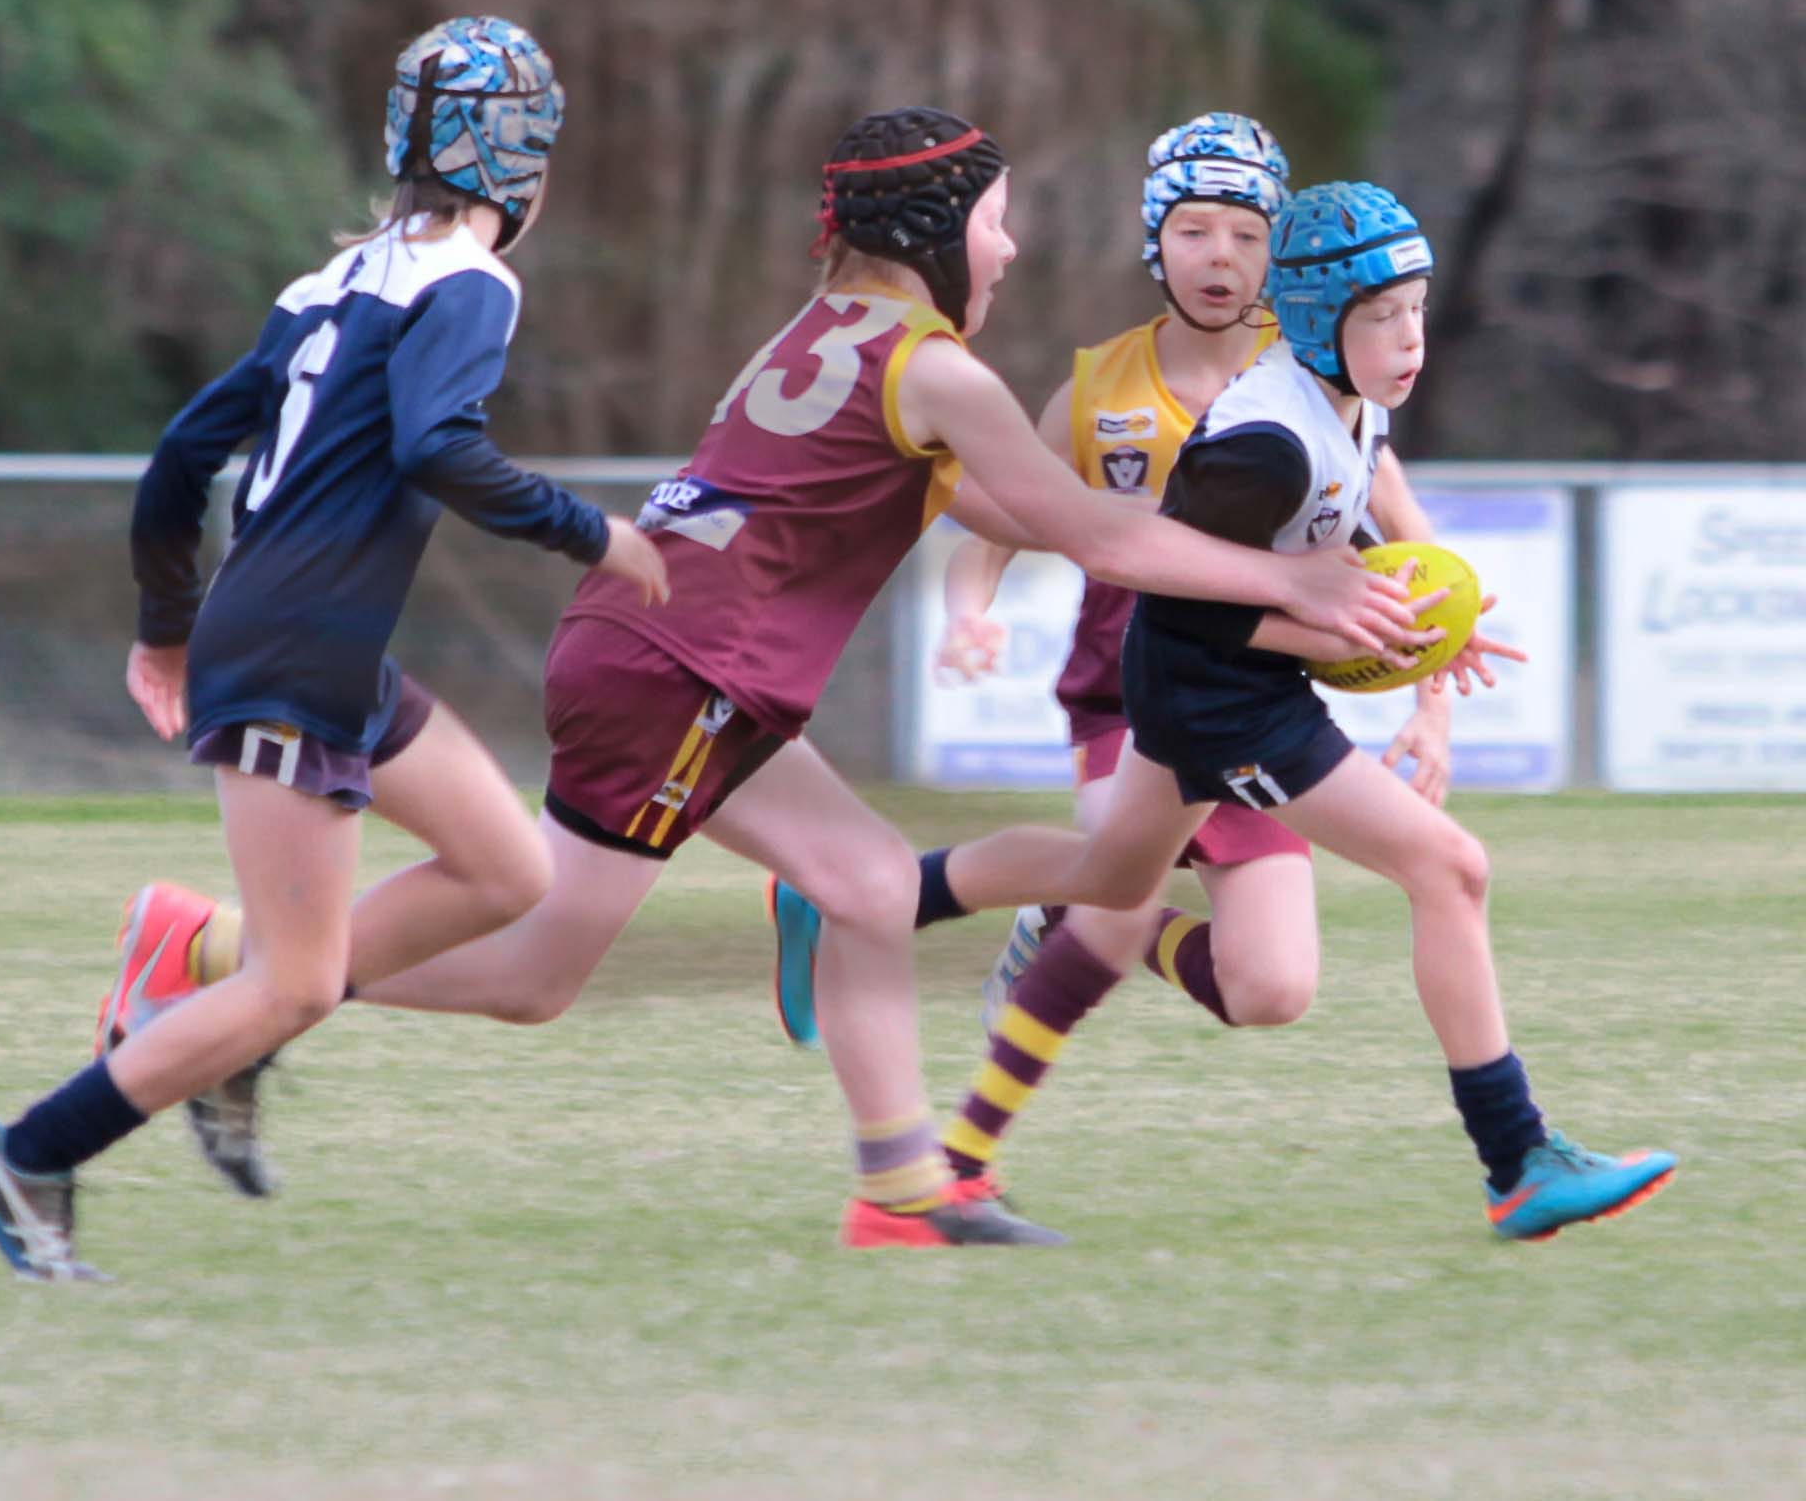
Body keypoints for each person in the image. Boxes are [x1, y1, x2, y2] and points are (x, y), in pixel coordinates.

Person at [86, 109, 1427, 1252]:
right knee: (536, 973)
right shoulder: (940, 368)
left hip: (663, 654)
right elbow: (1088, 531)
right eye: (999, 222)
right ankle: (204, 955)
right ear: (937, 231)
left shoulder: (830, 323)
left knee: (865, 884)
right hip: (684, 674)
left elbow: (1004, 508)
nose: (1009, 249)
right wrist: (1292, 579)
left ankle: (901, 1185)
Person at [791, 179, 1678, 1246]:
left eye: (1417, 307)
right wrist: (1342, 638)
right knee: (1448, 866)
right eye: (1379, 314)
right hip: (1222, 701)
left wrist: (1416, 625)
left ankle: (853, 893)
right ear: (1312, 318)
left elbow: (1318, 559)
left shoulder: (1350, 399)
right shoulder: (1263, 440)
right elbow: (1178, 611)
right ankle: (1517, 1159)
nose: (1408, 337)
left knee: (1104, 881)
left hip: (1218, 689)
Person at [0, 16, 670, 1281]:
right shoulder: (471, 280)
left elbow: (177, 460)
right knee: (294, 981)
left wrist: (168, 624)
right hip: (294, 648)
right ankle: (23, 1153)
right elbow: (441, 443)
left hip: (302, 640)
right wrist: (588, 533)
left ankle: (218, 1015)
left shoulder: (324, 287)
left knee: (505, 869)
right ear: (519, 163)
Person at [768, 114, 1472, 1052]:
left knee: (1268, 989)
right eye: (1193, 229)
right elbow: (1021, 515)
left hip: (1254, 697)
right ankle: (909, 905)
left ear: (1283, 256)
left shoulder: (1323, 383)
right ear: (1156, 240)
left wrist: (1433, 706)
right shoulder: (1098, 390)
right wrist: (967, 608)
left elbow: (1420, 561)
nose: (1220, 256)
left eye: (1247, 233)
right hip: (1130, 687)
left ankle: (1049, 913)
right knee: (1117, 891)